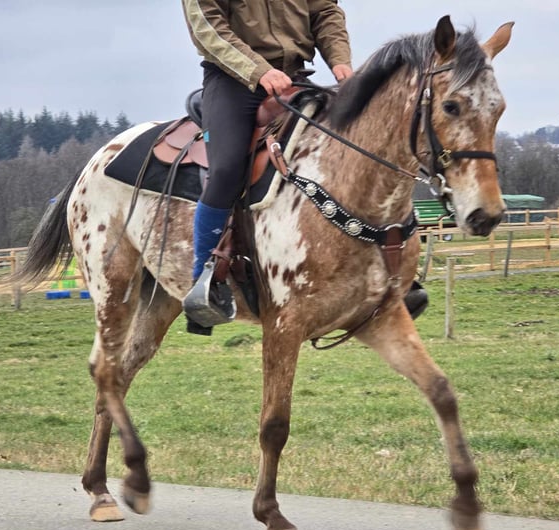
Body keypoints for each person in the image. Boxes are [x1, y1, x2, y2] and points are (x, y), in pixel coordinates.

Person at [180, 1, 426, 335]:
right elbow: (207, 26)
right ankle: (204, 280)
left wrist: (340, 62)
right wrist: (258, 71)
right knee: (226, 168)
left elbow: (325, 12)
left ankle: (392, 271)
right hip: (233, 81)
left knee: (362, 146)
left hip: (295, 79)